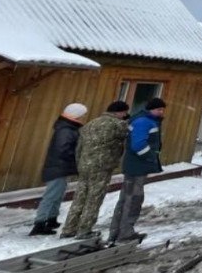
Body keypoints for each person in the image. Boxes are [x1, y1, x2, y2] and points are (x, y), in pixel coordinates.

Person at [60, 101, 130, 240]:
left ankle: (69, 228)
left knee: (80, 197)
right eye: (124, 113)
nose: (125, 115)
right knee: (94, 198)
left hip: (84, 165)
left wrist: (79, 162)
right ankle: (84, 230)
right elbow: (126, 134)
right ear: (119, 112)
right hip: (101, 167)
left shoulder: (91, 123)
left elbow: (79, 146)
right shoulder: (117, 124)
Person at [108, 97, 166, 246]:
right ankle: (125, 233)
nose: (161, 112)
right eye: (159, 109)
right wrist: (150, 158)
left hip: (134, 166)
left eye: (162, 109)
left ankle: (116, 232)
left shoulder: (142, 120)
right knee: (133, 199)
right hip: (137, 167)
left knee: (126, 199)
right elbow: (138, 145)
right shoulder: (143, 122)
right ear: (151, 109)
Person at [29, 103, 89, 236]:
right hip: (58, 166)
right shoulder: (66, 130)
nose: (84, 117)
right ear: (76, 115)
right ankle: (39, 223)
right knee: (51, 196)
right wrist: (75, 157)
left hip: (60, 166)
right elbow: (63, 149)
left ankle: (51, 219)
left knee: (58, 194)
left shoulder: (67, 127)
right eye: (82, 115)